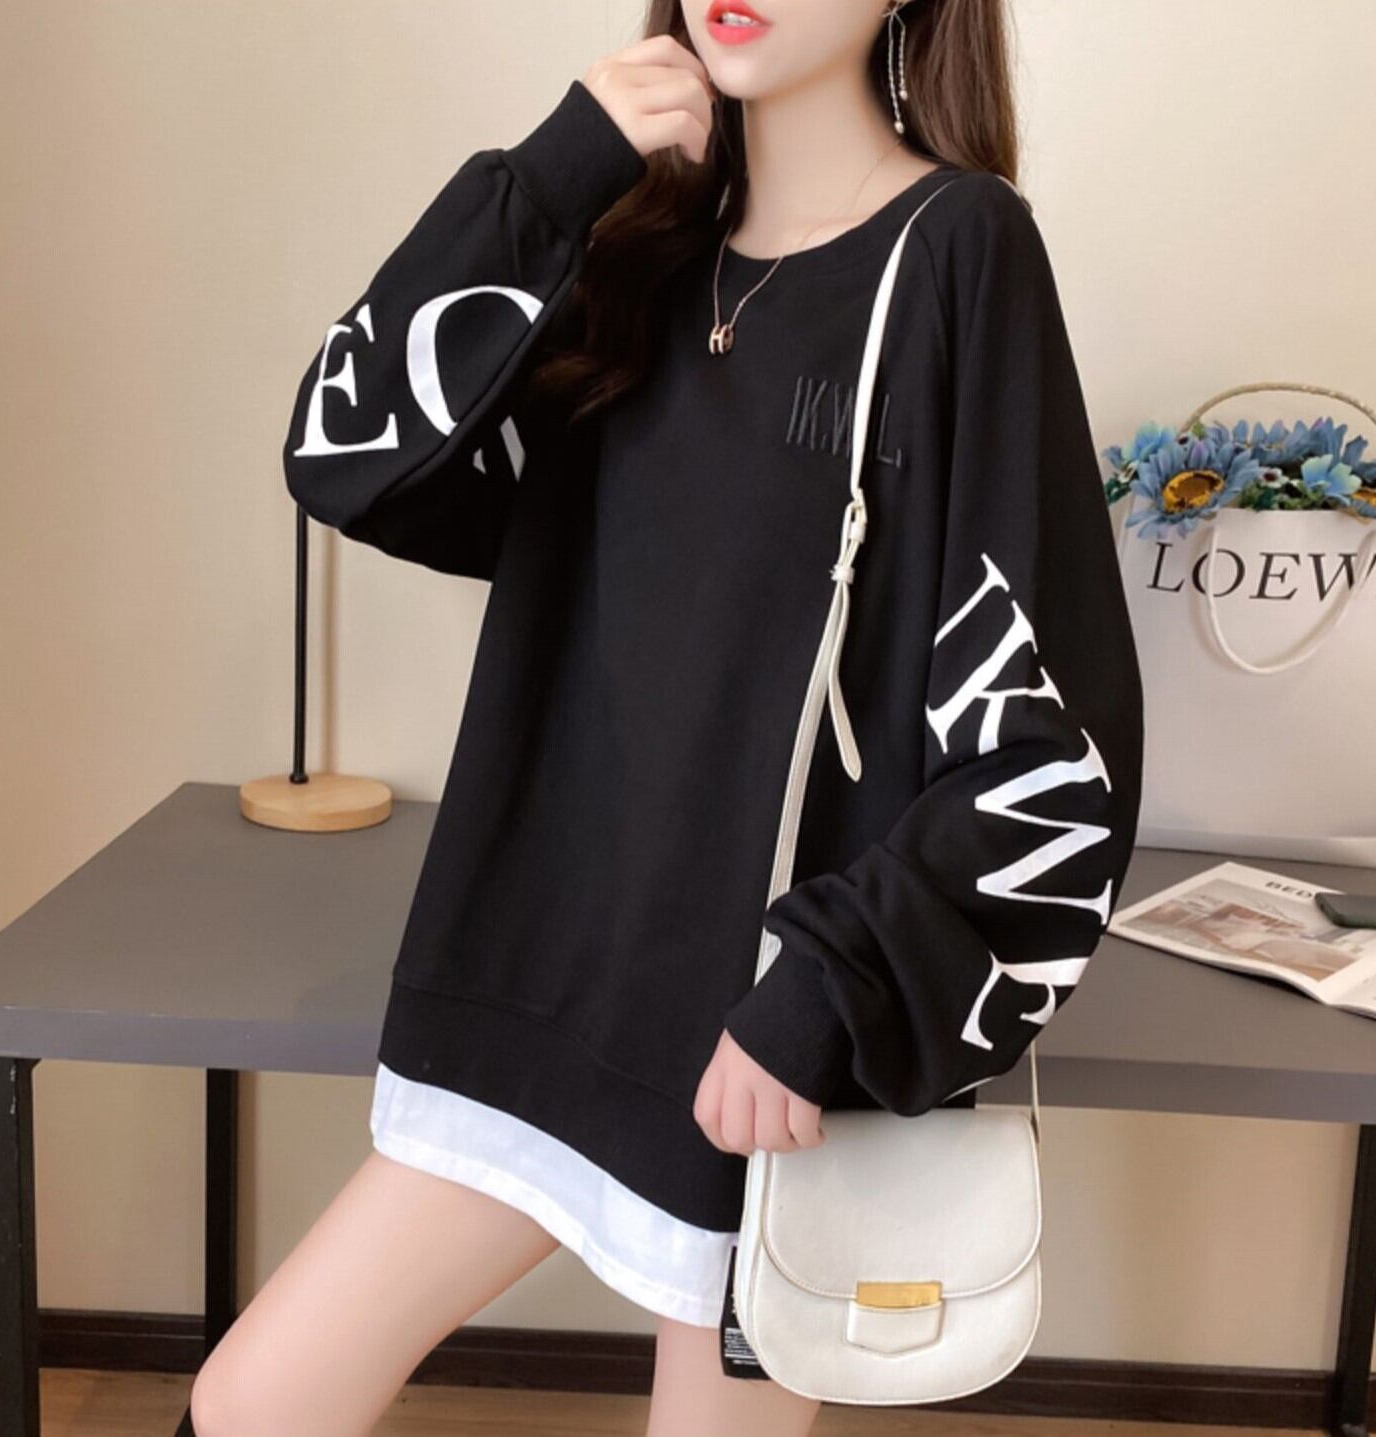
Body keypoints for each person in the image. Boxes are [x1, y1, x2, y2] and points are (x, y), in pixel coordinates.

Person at [192, 1, 1144, 1433]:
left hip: (756, 1046)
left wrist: (830, 992)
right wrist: (557, 170)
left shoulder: (955, 251)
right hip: (538, 976)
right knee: (253, 1403)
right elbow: (346, 454)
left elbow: (1056, 747)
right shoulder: (628, 249)